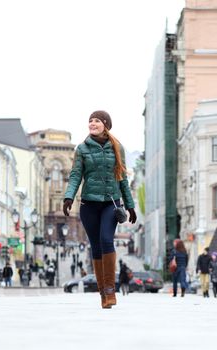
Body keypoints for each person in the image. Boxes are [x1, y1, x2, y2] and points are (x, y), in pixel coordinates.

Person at [63, 110, 137, 309]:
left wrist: (130, 205)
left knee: (106, 240)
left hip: (110, 203)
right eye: (90, 121)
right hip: (89, 205)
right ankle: (103, 292)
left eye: (96, 120)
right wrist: (69, 196)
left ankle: (111, 290)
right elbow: (76, 175)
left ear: (105, 124)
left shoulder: (117, 147)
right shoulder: (82, 149)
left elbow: (122, 178)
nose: (92, 123)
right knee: (95, 246)